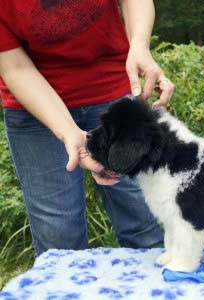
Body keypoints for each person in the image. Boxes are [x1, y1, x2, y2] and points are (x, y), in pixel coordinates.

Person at [0, 0, 174, 256]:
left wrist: (139, 46)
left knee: (142, 220)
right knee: (59, 237)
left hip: (112, 91)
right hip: (34, 110)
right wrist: (68, 132)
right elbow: (15, 67)